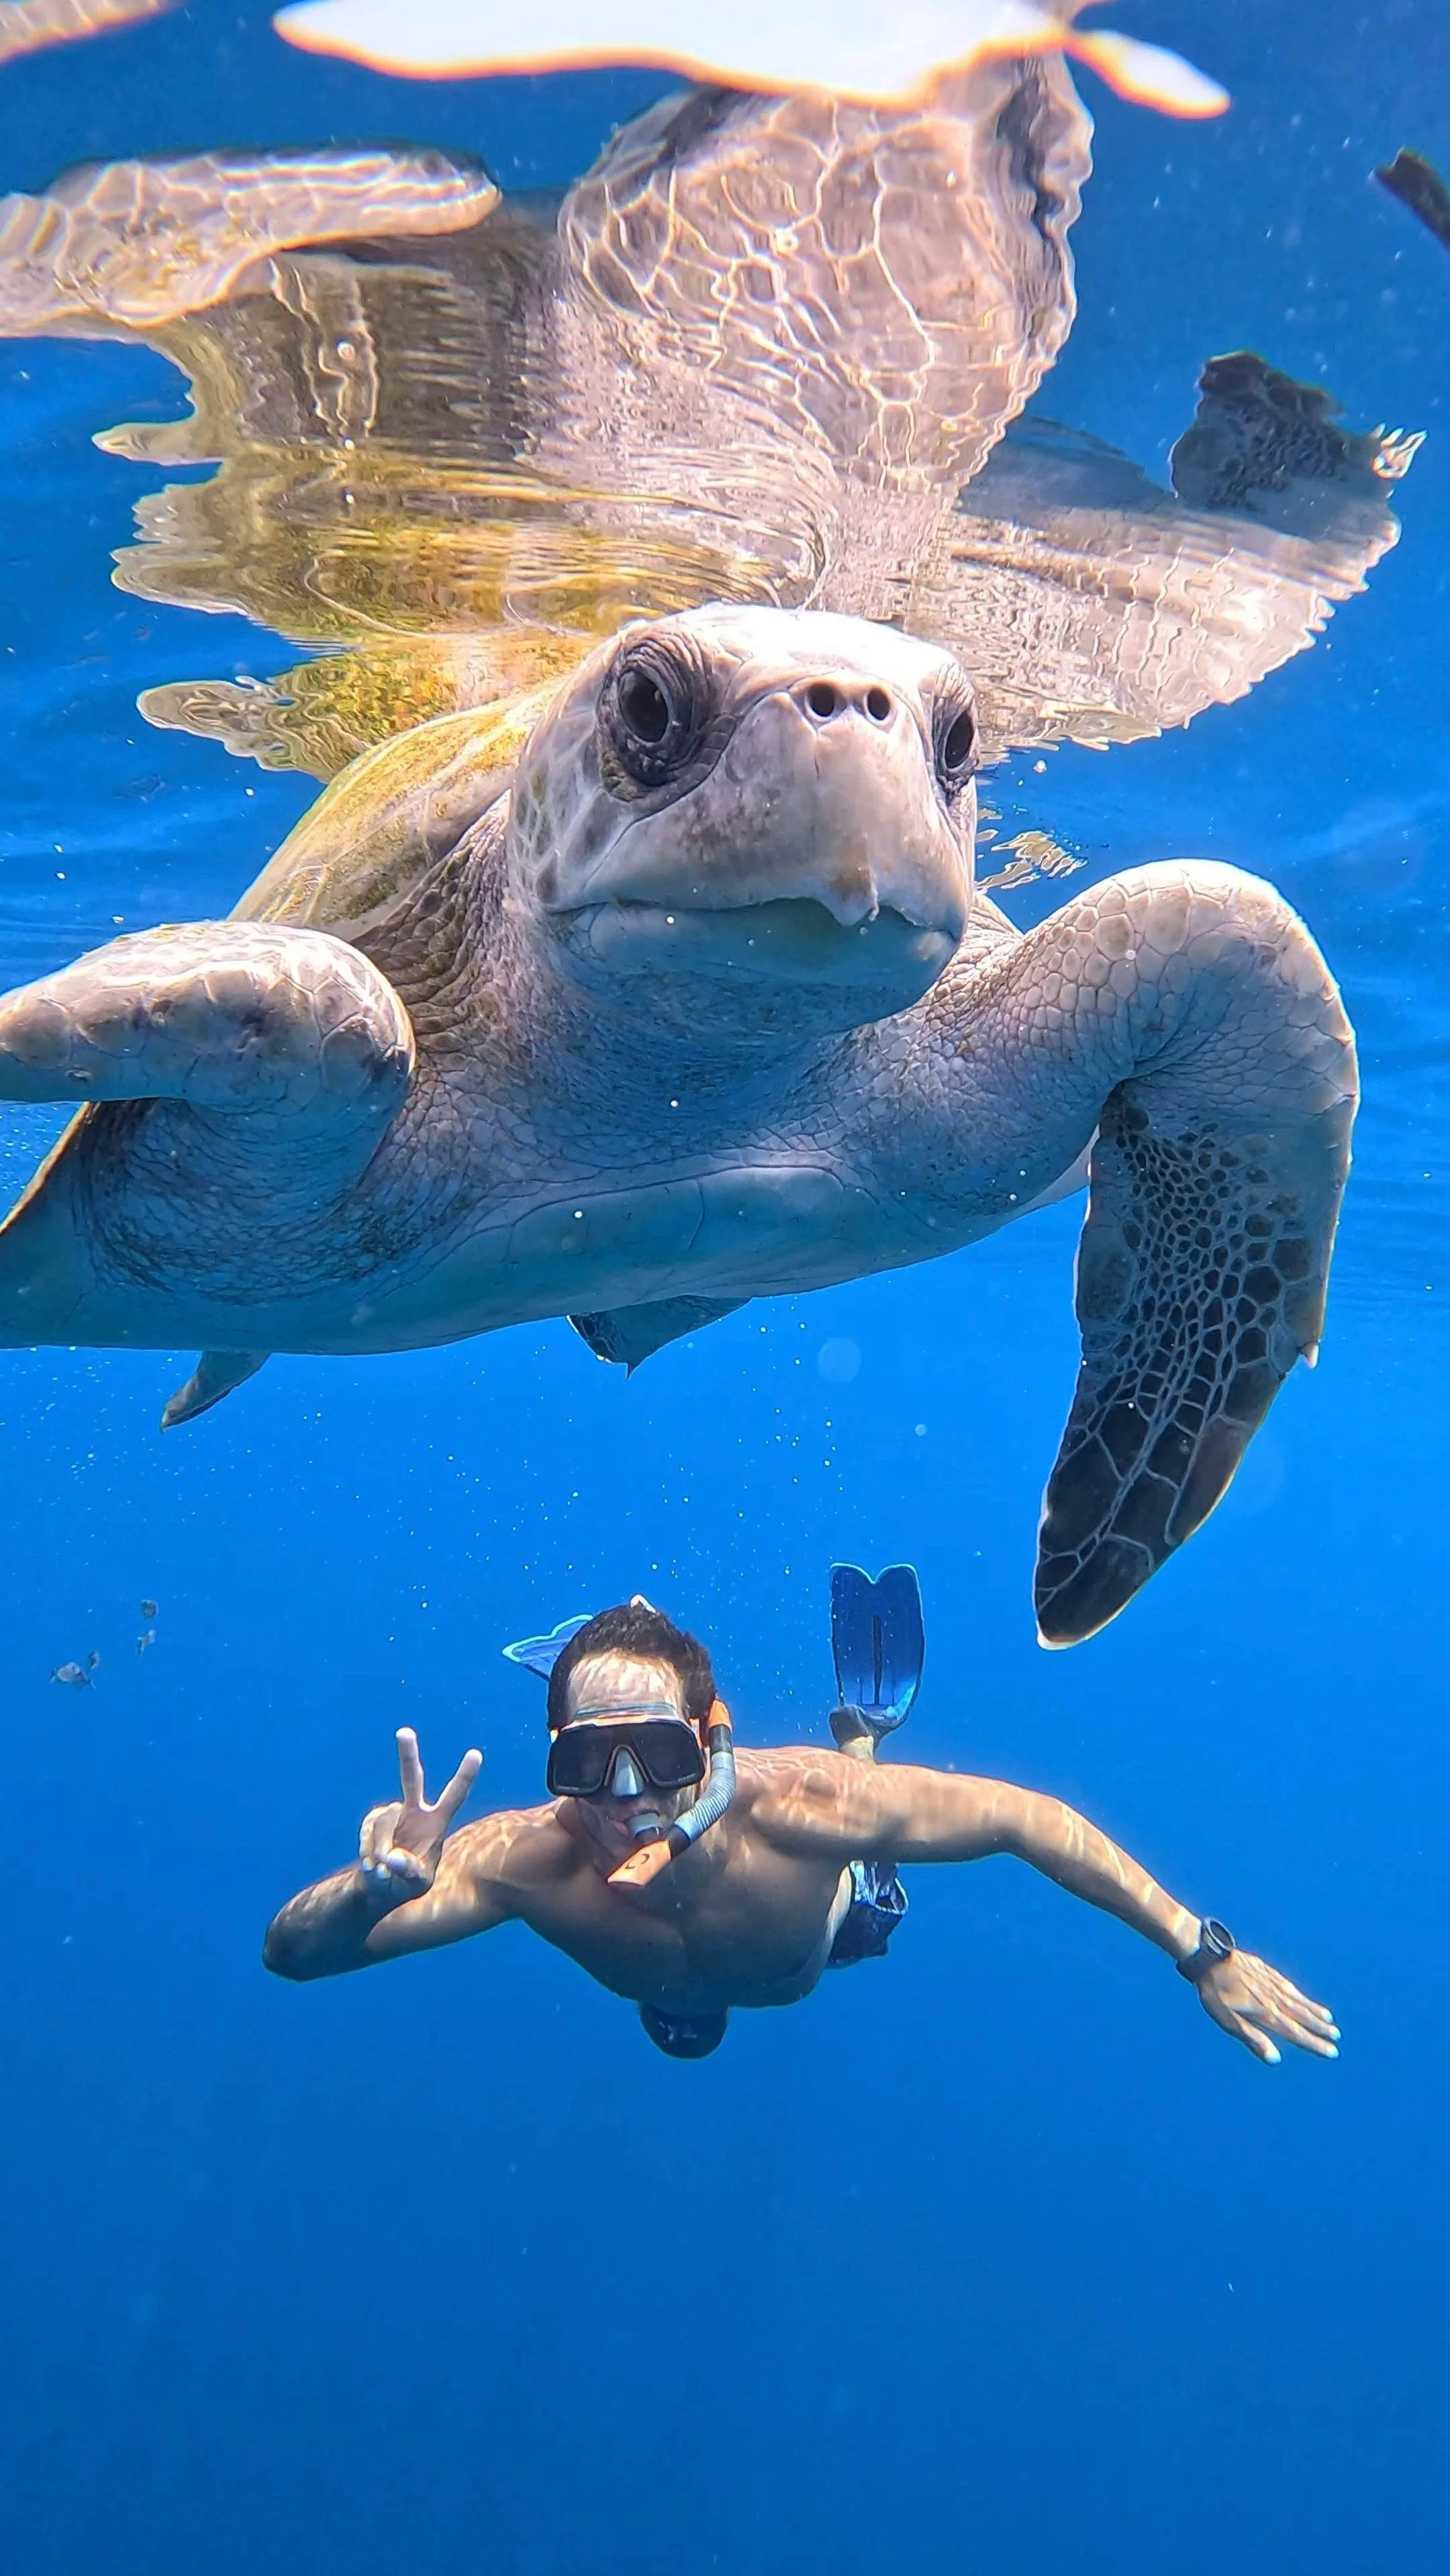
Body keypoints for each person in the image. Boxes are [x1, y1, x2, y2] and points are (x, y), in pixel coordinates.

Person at [263, 1574, 1340, 2065]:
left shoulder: (804, 1810)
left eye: (666, 1752)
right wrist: (369, 1887)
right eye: (591, 1758)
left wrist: (1202, 1950)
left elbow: (1027, 1818)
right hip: (695, 1994)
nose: (631, 1793)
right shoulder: (523, 1860)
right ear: (557, 1765)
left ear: (711, 1740)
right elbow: (294, 1958)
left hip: (831, 1925)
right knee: (685, 2041)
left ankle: (862, 1731)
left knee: (877, 1895)